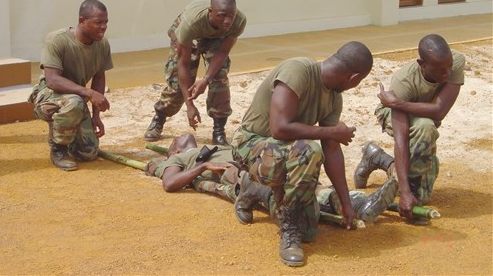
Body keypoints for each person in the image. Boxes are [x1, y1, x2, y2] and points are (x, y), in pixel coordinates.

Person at [231, 41, 374, 267]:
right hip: (250, 145)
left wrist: (346, 203)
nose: (355, 86)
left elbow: (332, 148)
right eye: (359, 82)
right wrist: (331, 132)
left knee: (311, 232)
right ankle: (289, 233)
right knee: (309, 150)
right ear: (354, 77)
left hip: (285, 154)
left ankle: (254, 189)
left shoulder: (334, 99)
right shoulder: (298, 70)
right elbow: (279, 127)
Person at [145, 134, 398, 226]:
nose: (182, 136)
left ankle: (354, 202)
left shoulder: (207, 145)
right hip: (233, 173)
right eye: (176, 141)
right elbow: (169, 183)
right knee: (275, 188)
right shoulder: (177, 160)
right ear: (174, 151)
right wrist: (203, 166)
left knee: (296, 177)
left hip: (248, 162)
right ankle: (348, 203)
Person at [353, 34, 465, 223]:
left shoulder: (455, 62)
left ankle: (378, 158)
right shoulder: (403, 82)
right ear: (422, 64)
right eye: (440, 70)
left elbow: (439, 111)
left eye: (449, 67)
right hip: (391, 112)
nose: (447, 73)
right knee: (425, 127)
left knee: (425, 128)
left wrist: (398, 103)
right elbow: (401, 138)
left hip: (415, 110)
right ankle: (412, 197)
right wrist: (405, 193)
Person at [144, 0, 246, 145]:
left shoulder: (238, 21)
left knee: (219, 74)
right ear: (211, 12)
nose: (227, 21)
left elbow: (223, 51)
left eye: (230, 15)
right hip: (190, 33)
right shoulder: (190, 23)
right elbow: (183, 64)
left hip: (216, 38)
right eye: (222, 15)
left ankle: (219, 130)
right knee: (179, 83)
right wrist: (190, 105)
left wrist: (205, 80)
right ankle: (160, 117)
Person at [28, 0, 113, 171]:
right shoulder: (57, 40)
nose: (103, 27)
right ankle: (58, 149)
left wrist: (96, 116)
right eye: (98, 22)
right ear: (82, 21)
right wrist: (88, 92)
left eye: (105, 22)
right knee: (74, 102)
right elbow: (53, 80)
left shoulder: (102, 44)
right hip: (48, 95)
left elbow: (98, 77)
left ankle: (69, 132)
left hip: (76, 99)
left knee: (88, 153)